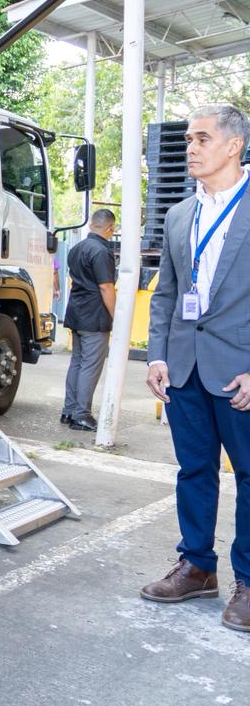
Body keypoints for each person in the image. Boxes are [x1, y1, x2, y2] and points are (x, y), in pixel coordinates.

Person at [142, 103, 250, 634]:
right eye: (188, 139)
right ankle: (197, 566)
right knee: (193, 471)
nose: (190, 148)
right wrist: (157, 354)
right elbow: (166, 292)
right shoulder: (180, 214)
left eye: (202, 139)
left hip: (239, 371)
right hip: (184, 368)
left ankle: (249, 582)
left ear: (234, 145)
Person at [60, 209, 117, 432]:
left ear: (92, 225)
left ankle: (69, 410)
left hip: (76, 311)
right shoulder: (101, 251)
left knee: (77, 362)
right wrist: (116, 316)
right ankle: (81, 414)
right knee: (90, 366)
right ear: (110, 228)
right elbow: (106, 286)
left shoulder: (77, 248)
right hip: (95, 315)